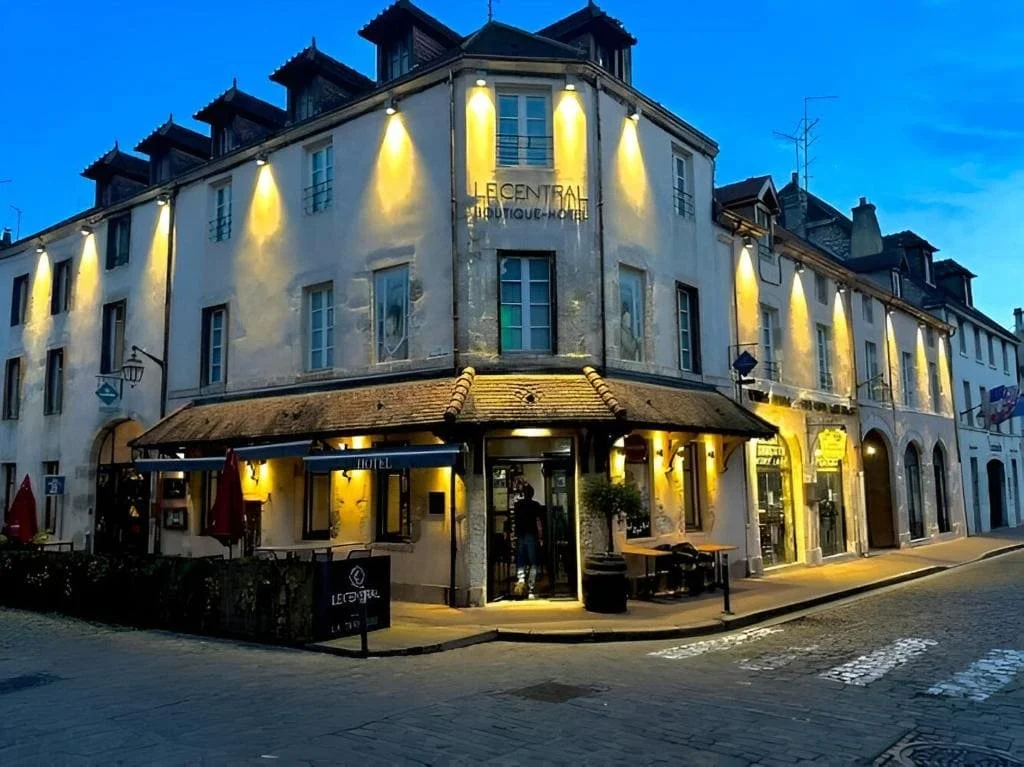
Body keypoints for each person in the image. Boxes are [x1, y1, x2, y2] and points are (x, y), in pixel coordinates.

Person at [513, 484, 545, 598]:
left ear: (523, 493)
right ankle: (531, 586)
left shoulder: (518, 505)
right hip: (531, 534)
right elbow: (538, 522)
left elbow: (514, 521)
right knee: (533, 561)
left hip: (520, 534)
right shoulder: (535, 505)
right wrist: (541, 537)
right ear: (532, 494)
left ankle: (521, 581)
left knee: (521, 559)